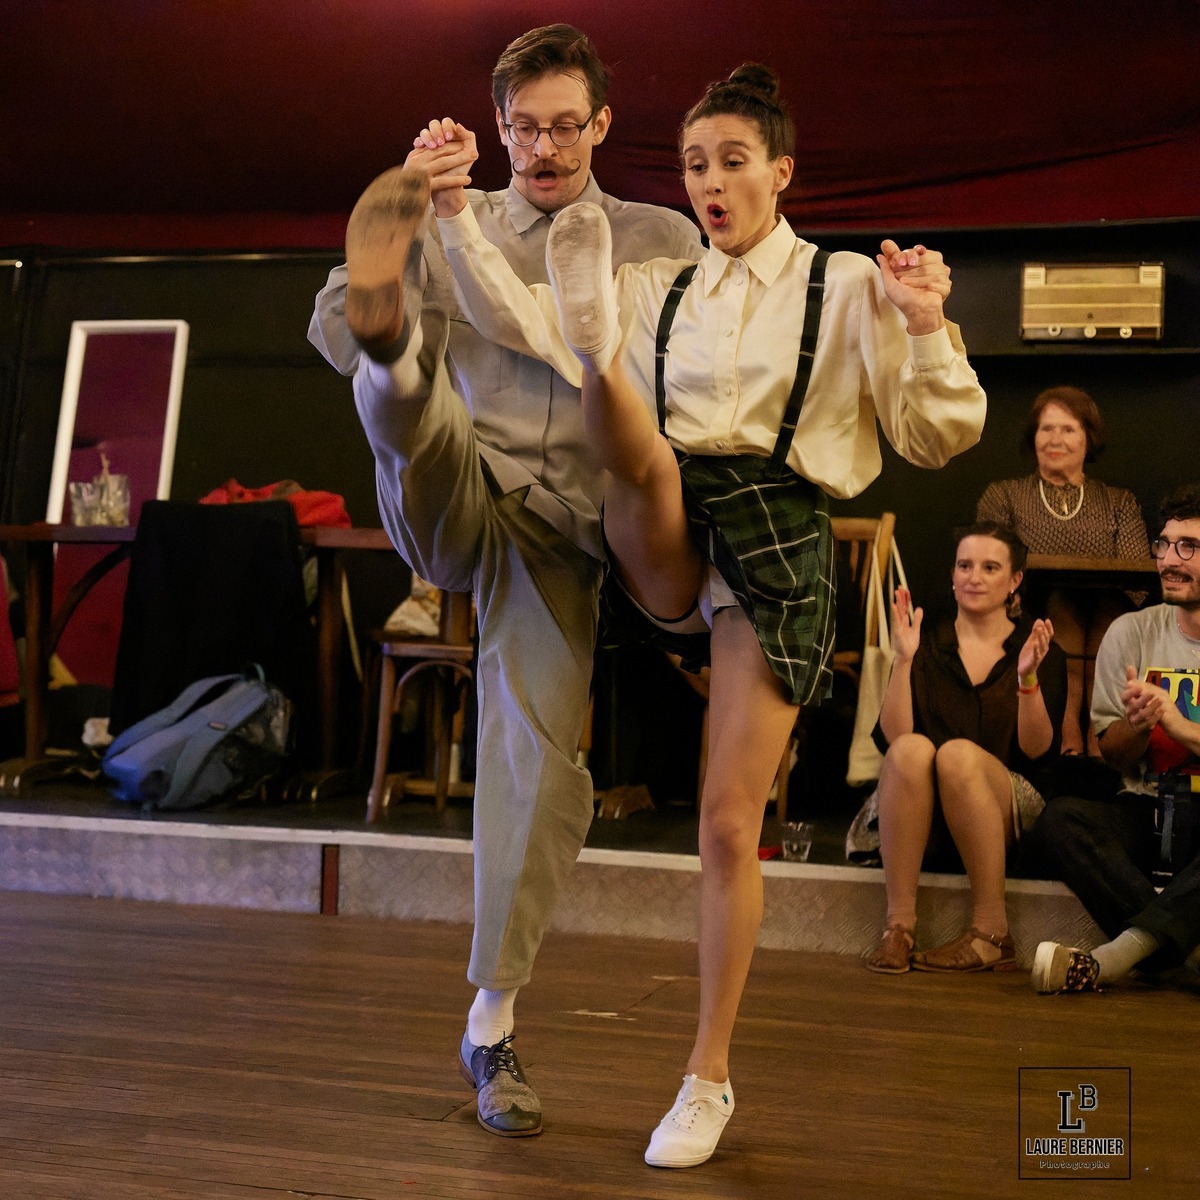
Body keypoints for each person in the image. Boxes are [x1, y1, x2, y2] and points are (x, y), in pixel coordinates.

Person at [421, 64, 987, 1167]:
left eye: (733, 162)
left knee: (729, 823)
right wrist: (451, 213)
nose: (711, 184)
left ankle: (707, 1078)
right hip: (666, 525)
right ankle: (599, 358)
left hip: (775, 542)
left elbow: (935, 437)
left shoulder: (845, 286)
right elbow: (514, 318)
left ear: (782, 171)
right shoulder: (658, 283)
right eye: (693, 166)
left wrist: (925, 325)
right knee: (618, 422)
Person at [307, 24, 702, 1139]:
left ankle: (492, 1021)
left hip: (566, 532)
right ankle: (402, 360)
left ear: (602, 124)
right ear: (497, 127)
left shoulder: (659, 236)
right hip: (459, 484)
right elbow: (325, 326)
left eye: (566, 126)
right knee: (405, 394)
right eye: (524, 128)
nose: (544, 147)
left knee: (535, 748)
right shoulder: (458, 213)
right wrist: (418, 219)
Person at [865, 522, 1067, 976]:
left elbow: (1037, 751)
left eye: (990, 567)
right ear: (953, 574)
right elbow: (894, 739)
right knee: (910, 751)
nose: (974, 577)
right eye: (965, 565)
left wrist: (1027, 678)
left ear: (1015, 580)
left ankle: (992, 933)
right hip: (922, 811)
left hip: (1005, 813)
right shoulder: (925, 641)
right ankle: (898, 928)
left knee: (956, 755)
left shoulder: (1037, 648)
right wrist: (903, 659)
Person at [1027, 483, 1200, 994]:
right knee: (1061, 820)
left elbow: (1178, 726)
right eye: (1164, 544)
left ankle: (1110, 960)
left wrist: (1178, 724)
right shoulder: (1131, 632)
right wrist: (1140, 724)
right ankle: (1184, 955)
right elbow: (1114, 754)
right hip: (1150, 807)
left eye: (1189, 546)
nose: (1169, 559)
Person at [976, 387, 1149, 756]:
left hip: (1107, 617)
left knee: (1108, 614)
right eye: (1047, 428)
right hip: (1031, 614)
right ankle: (1067, 728)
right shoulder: (1005, 496)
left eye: (1068, 429)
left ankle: (1101, 728)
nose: (1055, 439)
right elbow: (990, 564)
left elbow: (1136, 578)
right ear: (1034, 436)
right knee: (1062, 605)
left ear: (1088, 439)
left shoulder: (1118, 502)